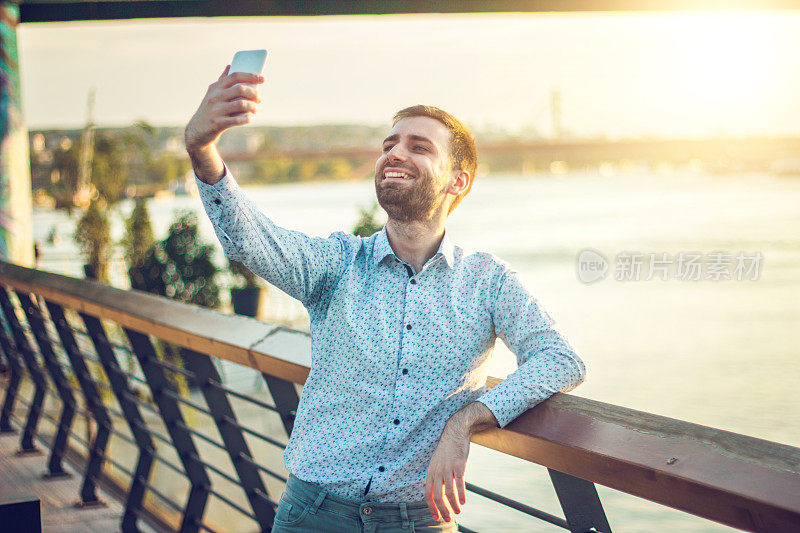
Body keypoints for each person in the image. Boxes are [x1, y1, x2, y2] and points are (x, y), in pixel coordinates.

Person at [185, 66, 586, 532]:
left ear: (458, 181)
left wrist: (467, 421)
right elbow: (251, 240)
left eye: (418, 146)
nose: (394, 153)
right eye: (389, 145)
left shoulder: (488, 282)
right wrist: (203, 150)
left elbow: (560, 360)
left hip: (419, 522)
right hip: (313, 516)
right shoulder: (336, 264)